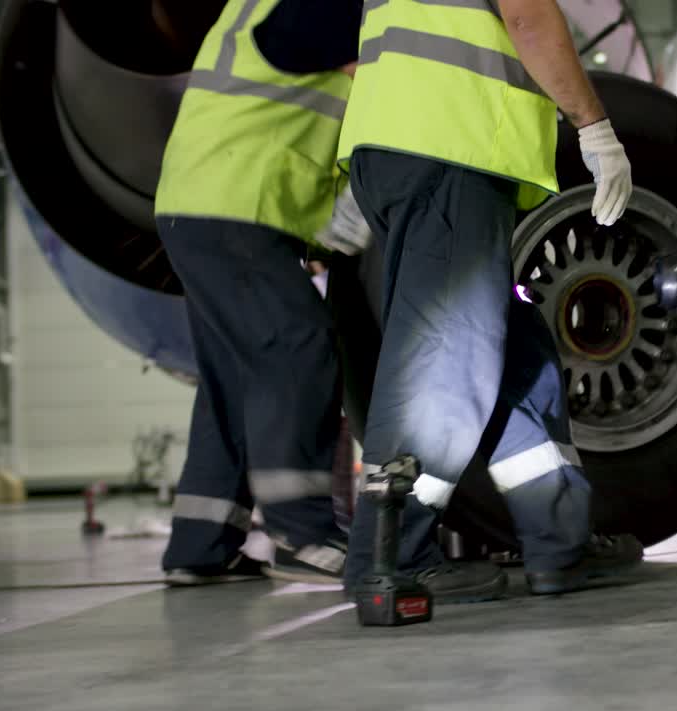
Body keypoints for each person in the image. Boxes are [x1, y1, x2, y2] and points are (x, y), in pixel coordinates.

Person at [337, 0, 643, 602]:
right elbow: (527, 14)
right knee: (446, 356)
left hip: (407, 143)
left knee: (513, 354)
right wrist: (592, 124)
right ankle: (390, 555)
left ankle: (559, 542)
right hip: (451, 143)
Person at [152, 0, 362, 586]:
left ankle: (201, 543)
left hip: (203, 205)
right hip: (234, 209)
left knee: (234, 378)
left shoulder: (256, 9)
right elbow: (305, 40)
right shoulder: (307, 12)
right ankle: (303, 529)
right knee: (297, 347)